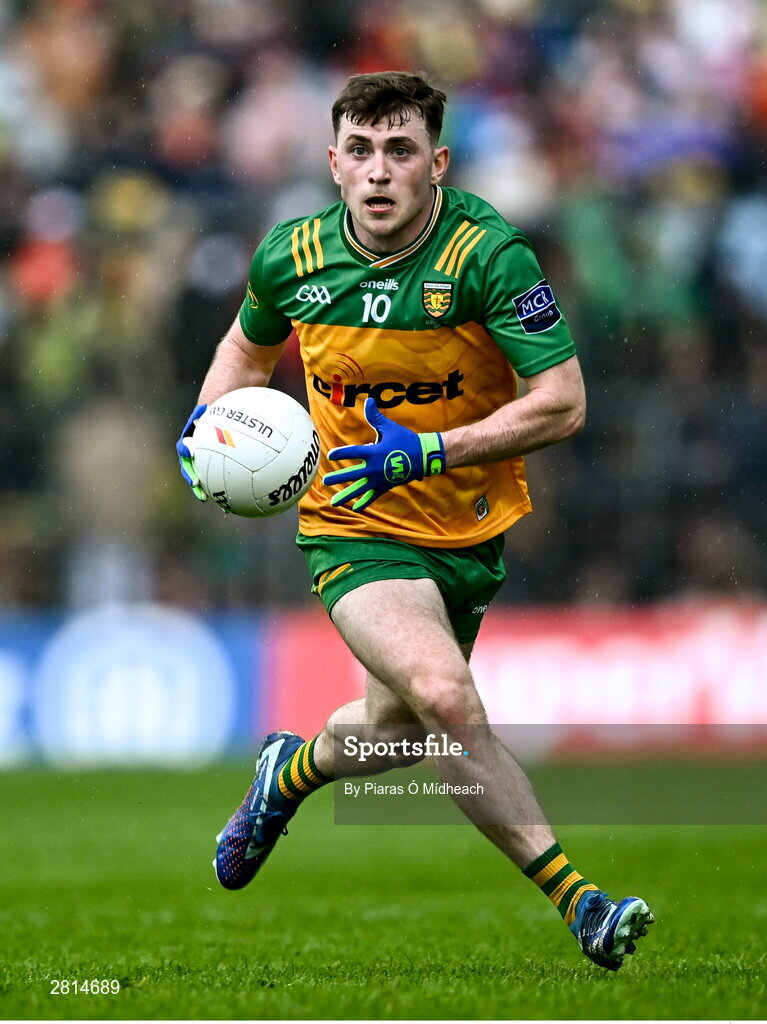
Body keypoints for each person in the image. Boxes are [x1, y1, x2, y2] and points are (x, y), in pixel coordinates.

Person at [176, 71, 653, 971]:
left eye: (400, 151)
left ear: (436, 163)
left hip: (468, 523)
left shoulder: (487, 256)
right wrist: (207, 431)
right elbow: (245, 347)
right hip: (350, 523)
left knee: (396, 731)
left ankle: (293, 769)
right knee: (444, 701)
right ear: (332, 164)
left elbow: (563, 403)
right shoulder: (292, 257)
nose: (379, 171)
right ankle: (579, 901)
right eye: (359, 151)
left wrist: (428, 451)